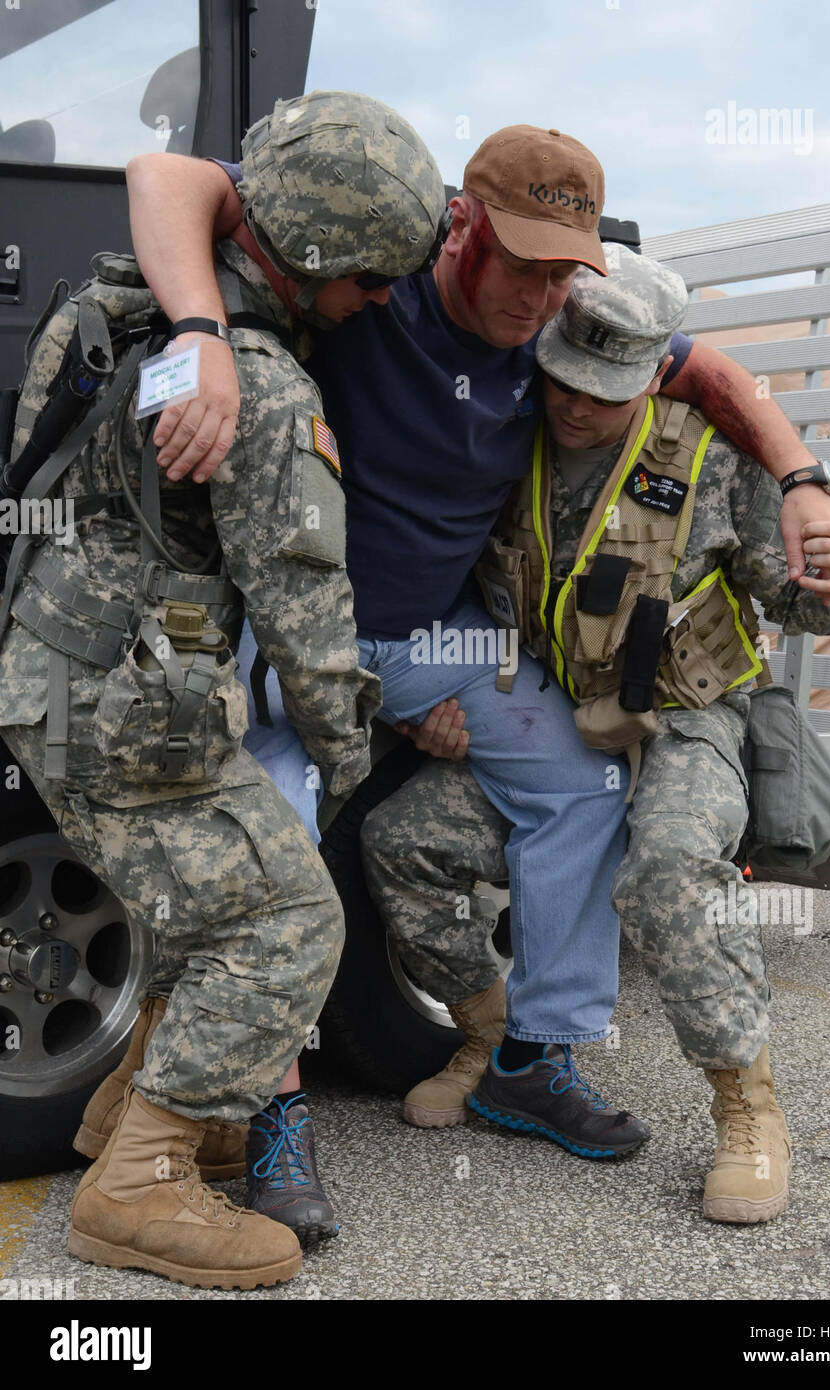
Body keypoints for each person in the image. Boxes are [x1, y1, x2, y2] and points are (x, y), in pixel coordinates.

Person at [123, 120, 830, 1150]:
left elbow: (710, 375)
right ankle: (267, 1112)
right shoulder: (382, 275)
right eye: (520, 266)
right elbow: (164, 173)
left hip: (433, 642)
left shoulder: (567, 339)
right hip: (295, 633)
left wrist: (803, 480)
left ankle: (528, 1056)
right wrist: (197, 331)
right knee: (269, 839)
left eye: (563, 276)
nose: (538, 298)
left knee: (580, 780)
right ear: (458, 226)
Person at [360, 250, 830, 1218]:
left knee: (665, 866)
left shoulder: (711, 457)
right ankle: (501, 1046)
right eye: (563, 376)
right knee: (401, 841)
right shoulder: (506, 435)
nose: (573, 404)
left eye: (602, 391)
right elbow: (459, 581)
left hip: (687, 719)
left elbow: (798, 595)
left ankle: (747, 1108)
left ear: (655, 374)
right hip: (555, 716)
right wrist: (434, 699)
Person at [0, 90, 447, 1287]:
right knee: (291, 917)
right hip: (121, 714)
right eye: (367, 277)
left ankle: (116, 1121)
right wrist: (352, 759)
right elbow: (309, 637)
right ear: (305, 261)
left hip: (55, 671)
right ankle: (137, 1185)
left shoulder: (132, 303)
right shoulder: (265, 393)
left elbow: (174, 177)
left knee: (213, 898)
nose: (379, 301)